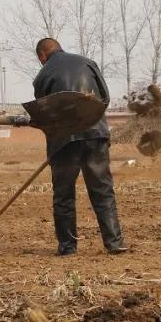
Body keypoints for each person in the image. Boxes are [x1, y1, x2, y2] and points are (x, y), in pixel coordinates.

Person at [32, 38, 128, 256]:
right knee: (103, 190)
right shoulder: (88, 63)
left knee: (64, 194)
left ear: (42, 56)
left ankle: (68, 247)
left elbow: (43, 112)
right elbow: (105, 98)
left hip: (65, 141)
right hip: (96, 134)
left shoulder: (42, 75)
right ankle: (114, 243)